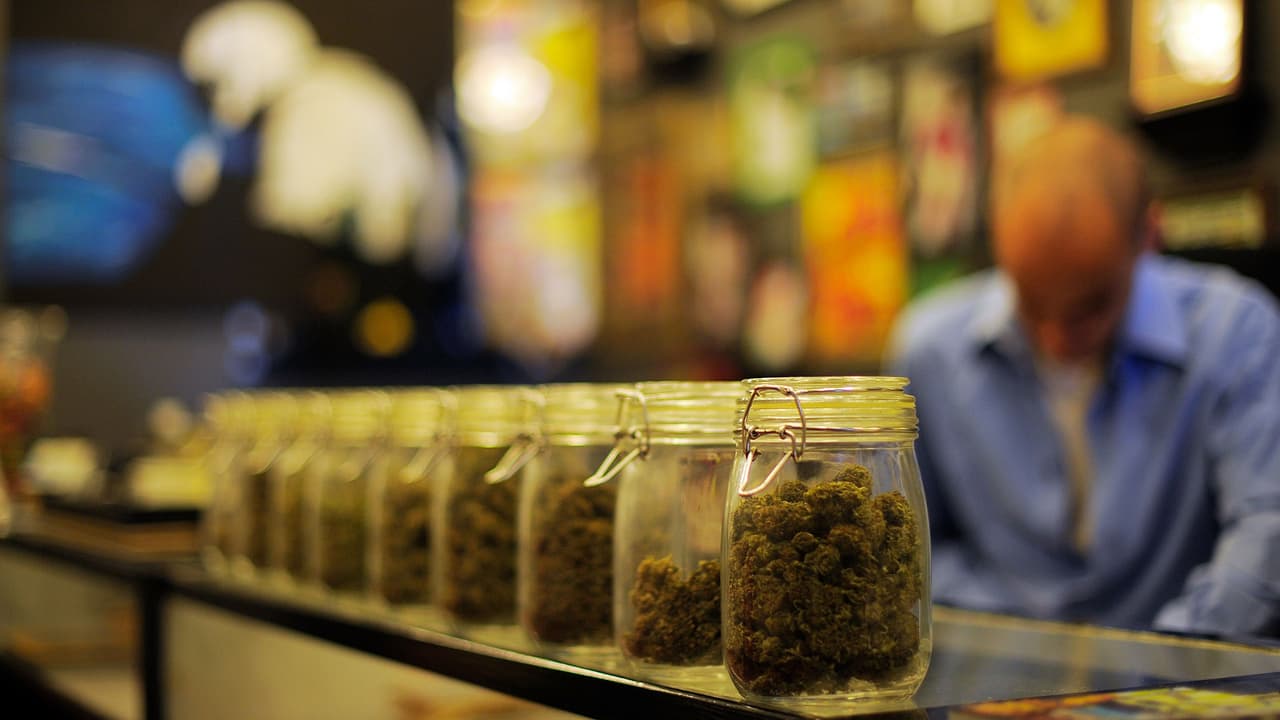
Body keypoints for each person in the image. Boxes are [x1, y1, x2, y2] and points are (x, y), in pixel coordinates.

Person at [886, 116, 1280, 636]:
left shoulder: (1234, 332)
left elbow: (1266, 529)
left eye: (1091, 307)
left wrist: (1165, 658)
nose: (1056, 338)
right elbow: (908, 549)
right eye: (1032, 304)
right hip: (998, 660)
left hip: (1180, 660)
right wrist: (1007, 640)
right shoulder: (930, 353)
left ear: (1149, 236)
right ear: (999, 246)